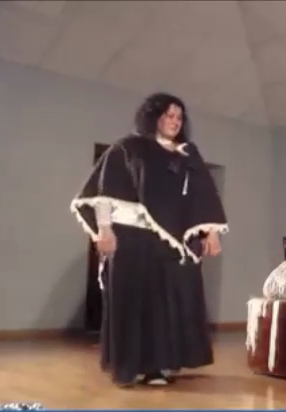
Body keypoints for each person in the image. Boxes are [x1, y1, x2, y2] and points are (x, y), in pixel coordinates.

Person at [70, 92, 228, 387]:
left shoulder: (187, 154)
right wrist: (104, 229)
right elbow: (104, 191)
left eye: (179, 117)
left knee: (168, 302)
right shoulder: (128, 148)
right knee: (132, 301)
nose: (175, 121)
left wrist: (212, 232)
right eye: (169, 115)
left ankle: (161, 366)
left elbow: (205, 195)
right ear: (154, 117)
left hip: (171, 242)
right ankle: (130, 366)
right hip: (131, 235)